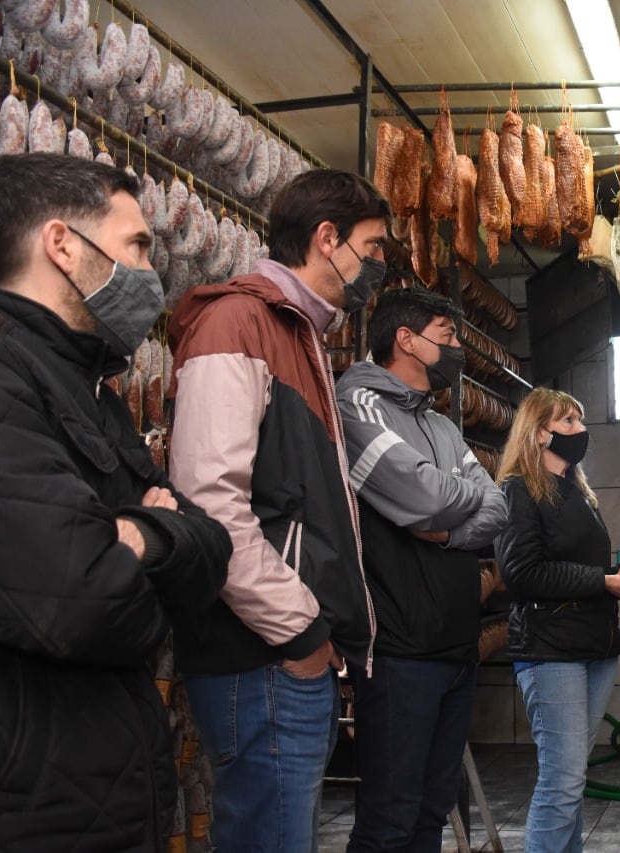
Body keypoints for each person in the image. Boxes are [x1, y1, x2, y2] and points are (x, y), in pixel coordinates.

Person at [0, 153, 231, 850]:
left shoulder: (91, 391)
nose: (150, 273)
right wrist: (156, 535)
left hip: (95, 792)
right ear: (61, 245)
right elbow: (80, 599)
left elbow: (208, 548)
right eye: (136, 246)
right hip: (19, 808)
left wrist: (139, 537)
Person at [166, 169, 386, 851]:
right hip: (261, 657)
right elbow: (211, 504)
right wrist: (301, 633)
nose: (379, 265)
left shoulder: (299, 332)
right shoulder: (239, 320)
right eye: (373, 247)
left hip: (284, 657)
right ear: (328, 239)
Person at [335, 287, 508, 853]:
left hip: (453, 647)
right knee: (391, 816)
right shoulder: (358, 404)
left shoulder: (439, 426)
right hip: (399, 649)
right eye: (448, 335)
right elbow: (422, 494)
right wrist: (453, 501)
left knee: (433, 809)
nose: (456, 348)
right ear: (406, 340)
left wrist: (449, 528)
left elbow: (496, 508)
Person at [494, 388, 620, 853]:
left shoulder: (577, 490)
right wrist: (603, 581)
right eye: (569, 424)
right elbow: (520, 573)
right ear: (540, 433)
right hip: (549, 650)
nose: (581, 432)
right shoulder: (517, 489)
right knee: (561, 783)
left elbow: (577, 565)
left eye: (579, 422)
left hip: (594, 647)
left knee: (571, 778)